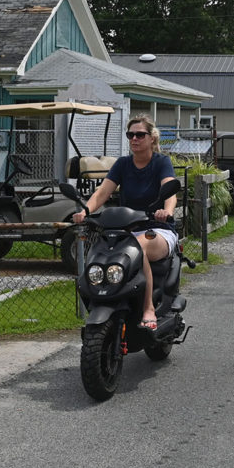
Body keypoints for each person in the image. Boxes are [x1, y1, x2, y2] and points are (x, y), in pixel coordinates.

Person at [72, 114, 178, 331]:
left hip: (157, 229)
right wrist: (85, 211)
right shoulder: (122, 164)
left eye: (140, 134)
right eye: (130, 135)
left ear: (152, 138)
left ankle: (148, 308)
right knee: (102, 248)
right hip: (127, 230)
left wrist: (166, 212)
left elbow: (170, 190)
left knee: (139, 247)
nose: (134, 139)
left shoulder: (161, 162)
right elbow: (102, 193)